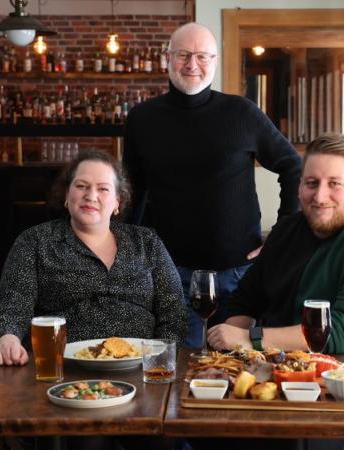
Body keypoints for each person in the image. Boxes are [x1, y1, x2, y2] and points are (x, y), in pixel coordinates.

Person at [123, 22, 302, 349]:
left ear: (215, 62)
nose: (193, 64)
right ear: (167, 58)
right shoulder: (142, 119)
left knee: (237, 367)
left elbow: (293, 166)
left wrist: (282, 234)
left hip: (239, 275)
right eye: (184, 55)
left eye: (203, 56)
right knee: (177, 366)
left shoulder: (242, 112)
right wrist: (127, 250)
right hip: (169, 272)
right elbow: (132, 191)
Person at [207, 132, 344, 378]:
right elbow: (246, 299)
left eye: (334, 184)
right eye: (311, 183)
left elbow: (339, 334)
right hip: (294, 373)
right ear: (300, 186)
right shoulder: (287, 230)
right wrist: (227, 361)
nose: (319, 196)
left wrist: (248, 339)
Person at [0, 149, 186, 366]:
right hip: (61, 369)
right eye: (81, 186)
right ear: (67, 194)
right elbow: (13, 305)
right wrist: (8, 339)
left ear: (117, 201)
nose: (91, 196)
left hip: (140, 369)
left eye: (103, 189)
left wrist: (160, 363)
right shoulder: (35, 241)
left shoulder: (147, 242)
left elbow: (174, 313)